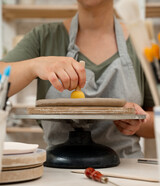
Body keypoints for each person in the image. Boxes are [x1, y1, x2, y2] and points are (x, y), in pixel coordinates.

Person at [0, 0, 154, 158]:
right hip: (59, 169)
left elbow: (156, 118)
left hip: (127, 168)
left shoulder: (140, 43)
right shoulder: (44, 36)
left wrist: (138, 120)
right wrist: (34, 65)